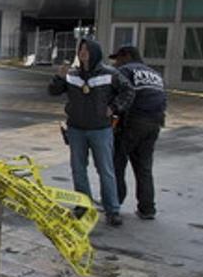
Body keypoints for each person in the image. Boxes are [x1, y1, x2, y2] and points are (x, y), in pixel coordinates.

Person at [48, 37, 134, 227]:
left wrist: (114, 107)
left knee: (105, 170)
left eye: (87, 49)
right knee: (78, 169)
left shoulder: (109, 73)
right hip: (76, 129)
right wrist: (59, 77)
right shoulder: (72, 74)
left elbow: (128, 91)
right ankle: (83, 205)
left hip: (100, 129)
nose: (83, 52)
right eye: (81, 49)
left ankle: (112, 210)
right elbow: (53, 91)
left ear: (94, 52)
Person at [109, 45, 166, 220]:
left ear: (126, 56)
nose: (116, 63)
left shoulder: (126, 71)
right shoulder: (154, 74)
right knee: (144, 167)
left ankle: (114, 203)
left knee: (117, 163)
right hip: (154, 123)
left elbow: (119, 95)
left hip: (132, 122)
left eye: (117, 59)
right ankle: (147, 208)